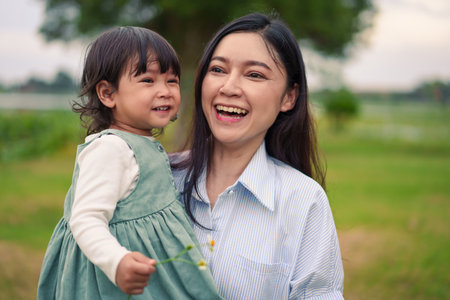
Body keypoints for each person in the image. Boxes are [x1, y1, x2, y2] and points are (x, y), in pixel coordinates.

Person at [37, 26, 220, 300]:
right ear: (108, 94)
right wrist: (117, 261)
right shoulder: (110, 148)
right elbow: (85, 218)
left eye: (172, 81)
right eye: (148, 80)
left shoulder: (137, 144)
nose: (165, 91)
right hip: (114, 280)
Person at [171, 13, 344, 299]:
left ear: (289, 97)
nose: (229, 87)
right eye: (218, 69)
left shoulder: (303, 200)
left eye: (255, 74)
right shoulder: (158, 176)